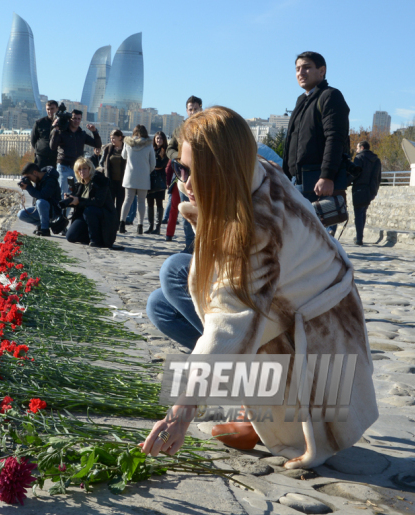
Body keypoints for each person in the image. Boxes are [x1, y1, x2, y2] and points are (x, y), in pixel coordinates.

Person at [142, 106, 377, 469]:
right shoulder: (255, 174)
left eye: (188, 170)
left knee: (174, 275)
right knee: (161, 300)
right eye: (178, 167)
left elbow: (231, 321)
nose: (181, 180)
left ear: (218, 168)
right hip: (294, 311)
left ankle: (251, 408)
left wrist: (180, 411)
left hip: (321, 350)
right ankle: (239, 389)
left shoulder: (258, 229)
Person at [282, 51, 350, 235]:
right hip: (297, 183)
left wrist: (327, 176)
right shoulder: (302, 100)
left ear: (322, 71)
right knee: (297, 239)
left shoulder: (330, 96)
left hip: (318, 184)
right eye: (297, 69)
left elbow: (335, 138)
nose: (300, 73)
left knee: (319, 242)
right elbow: (292, 142)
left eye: (306, 67)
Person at [166, 96, 202, 251]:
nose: (192, 112)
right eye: (190, 109)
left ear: (201, 108)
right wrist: (180, 158)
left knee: (202, 212)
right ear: (186, 110)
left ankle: (202, 246)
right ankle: (190, 246)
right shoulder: (179, 130)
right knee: (186, 211)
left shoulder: (207, 127)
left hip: (202, 176)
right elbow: (169, 149)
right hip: (183, 176)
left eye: (195, 108)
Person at [64, 158, 118, 248]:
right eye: (79, 169)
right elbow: (79, 202)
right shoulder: (80, 184)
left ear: (90, 169)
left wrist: (79, 201)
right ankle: (91, 237)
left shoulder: (100, 181)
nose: (82, 171)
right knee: (70, 236)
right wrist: (70, 200)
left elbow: (98, 202)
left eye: (84, 168)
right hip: (87, 217)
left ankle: (95, 240)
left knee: (89, 211)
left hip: (105, 216)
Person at [49, 110, 102, 198]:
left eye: (79, 119)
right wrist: (56, 130)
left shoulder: (81, 134)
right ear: (69, 119)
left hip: (78, 169)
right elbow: (52, 147)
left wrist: (95, 132)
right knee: (63, 194)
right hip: (64, 167)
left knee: (76, 194)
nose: (76, 121)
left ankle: (69, 212)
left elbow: (97, 145)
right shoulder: (62, 132)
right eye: (74, 118)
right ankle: (60, 212)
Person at [119, 125, 156, 235]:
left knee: (127, 200)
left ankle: (122, 223)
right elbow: (153, 163)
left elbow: (124, 156)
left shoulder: (127, 143)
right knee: (141, 201)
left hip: (130, 175)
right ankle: (140, 226)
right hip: (143, 176)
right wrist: (146, 171)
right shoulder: (149, 145)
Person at [16, 163, 61, 237]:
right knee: (21, 214)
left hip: (53, 211)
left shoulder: (50, 180)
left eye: (29, 178)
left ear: (35, 173)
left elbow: (42, 196)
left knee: (41, 202)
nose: (30, 180)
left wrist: (29, 187)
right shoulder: (38, 180)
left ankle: (45, 229)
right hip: (42, 210)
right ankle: (43, 224)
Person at [351, 141, 382, 245]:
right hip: (371, 190)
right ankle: (359, 236)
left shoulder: (359, 158)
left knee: (358, 214)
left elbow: (355, 173)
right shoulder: (376, 160)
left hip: (359, 189)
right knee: (363, 212)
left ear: (362, 147)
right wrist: (374, 190)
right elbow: (378, 177)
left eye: (357, 148)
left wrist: (345, 182)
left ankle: (359, 238)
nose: (356, 150)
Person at [100, 129, 127, 221]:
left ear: (120, 138)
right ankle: (110, 221)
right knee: (110, 203)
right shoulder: (108, 148)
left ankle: (118, 222)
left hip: (123, 182)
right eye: (111, 138)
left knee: (120, 204)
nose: (112, 140)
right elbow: (101, 162)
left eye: (114, 138)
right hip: (110, 181)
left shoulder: (126, 148)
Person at [145, 131, 168, 234]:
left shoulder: (166, 151)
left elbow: (160, 164)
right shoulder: (151, 149)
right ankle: (150, 226)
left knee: (159, 203)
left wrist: (152, 164)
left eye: (161, 139)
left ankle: (158, 227)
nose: (159, 140)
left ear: (164, 140)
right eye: (157, 138)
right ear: (154, 139)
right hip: (150, 178)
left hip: (160, 179)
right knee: (149, 202)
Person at [31, 100, 59, 169]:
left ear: (57, 109)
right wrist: (41, 149)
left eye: (52, 109)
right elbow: (33, 140)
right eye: (48, 109)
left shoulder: (63, 124)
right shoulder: (39, 123)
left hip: (57, 158)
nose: (50, 111)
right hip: (41, 158)